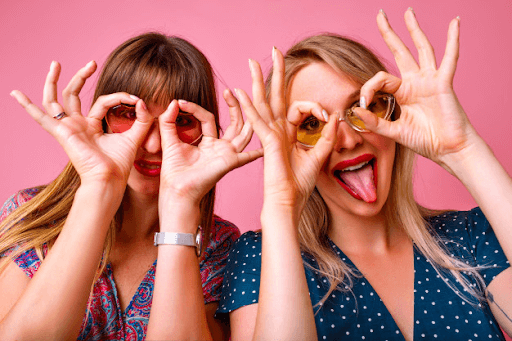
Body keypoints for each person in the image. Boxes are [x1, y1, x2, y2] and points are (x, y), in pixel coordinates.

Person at [219, 8, 512, 341]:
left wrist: (463, 150)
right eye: (312, 125)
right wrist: (282, 207)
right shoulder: (261, 255)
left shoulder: (470, 238)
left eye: (362, 107)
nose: (348, 139)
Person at [0, 32, 260, 340]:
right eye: (128, 115)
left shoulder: (220, 245)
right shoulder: (32, 215)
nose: (152, 145)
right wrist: (99, 187)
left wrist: (181, 204)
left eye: (180, 121)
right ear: (103, 118)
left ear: (206, 129)